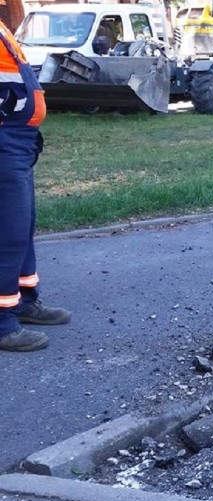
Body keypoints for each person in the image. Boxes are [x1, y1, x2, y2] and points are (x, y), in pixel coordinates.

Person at [0, 20, 71, 352]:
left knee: (23, 228)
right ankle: (2, 323)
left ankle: (24, 301)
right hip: (4, 140)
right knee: (8, 233)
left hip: (19, 139)